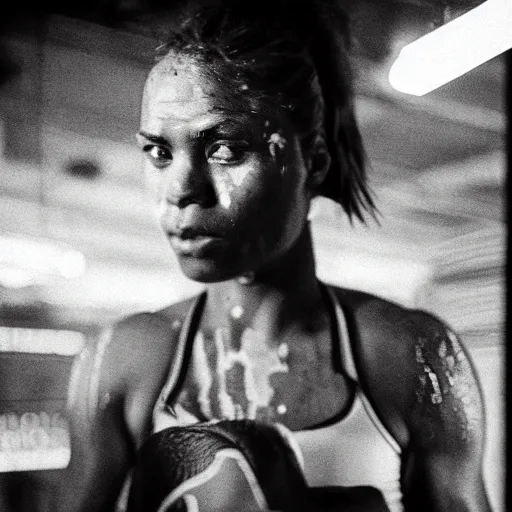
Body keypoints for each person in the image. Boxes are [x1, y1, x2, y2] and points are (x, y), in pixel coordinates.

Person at [58, 1, 492, 511]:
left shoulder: (411, 358)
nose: (180, 190)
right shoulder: (121, 363)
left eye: (224, 148)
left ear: (313, 163)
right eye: (159, 152)